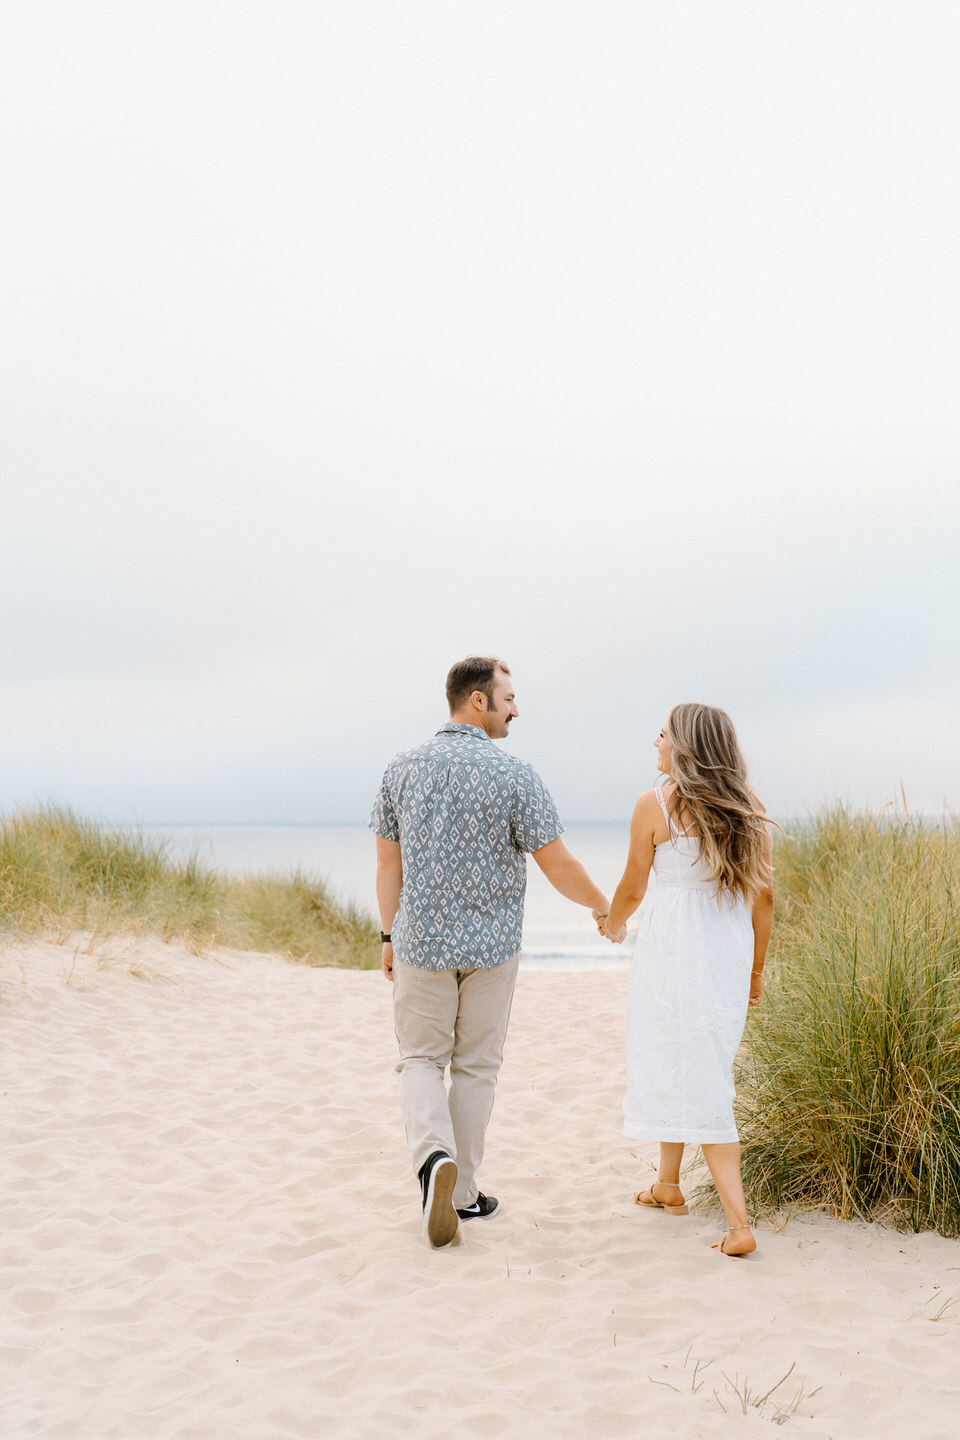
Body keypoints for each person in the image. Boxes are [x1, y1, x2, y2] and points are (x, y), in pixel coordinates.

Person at [370, 655, 611, 1248]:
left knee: (421, 1061)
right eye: (508, 697)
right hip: (491, 948)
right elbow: (557, 862)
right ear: (477, 700)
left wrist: (387, 934)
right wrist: (604, 906)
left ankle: (433, 1163)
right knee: (476, 1068)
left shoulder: (401, 768)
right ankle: (463, 1192)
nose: (515, 708)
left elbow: (386, 863)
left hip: (421, 941)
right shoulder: (515, 775)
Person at [599, 703, 774, 1258]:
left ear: (687, 746)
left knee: (693, 1067)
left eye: (664, 733)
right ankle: (668, 1184)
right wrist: (755, 971)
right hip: (725, 949)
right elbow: (764, 899)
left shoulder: (655, 805)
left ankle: (739, 1223)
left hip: (674, 949)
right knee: (691, 1055)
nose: (656, 741)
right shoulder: (747, 811)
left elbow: (633, 884)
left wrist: (613, 921)